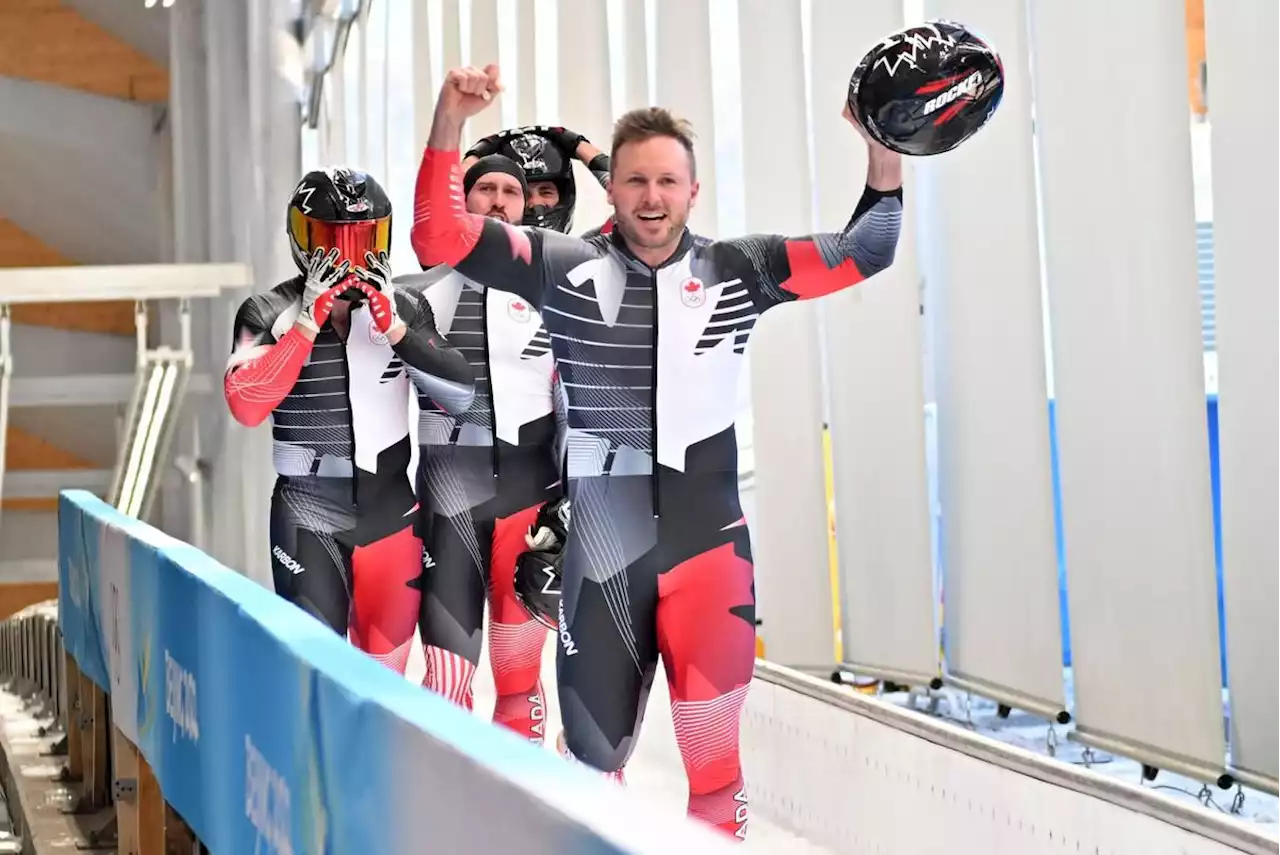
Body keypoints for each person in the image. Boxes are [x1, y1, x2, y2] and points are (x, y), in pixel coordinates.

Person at [412, 64, 903, 842]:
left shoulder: (737, 269)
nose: (651, 196)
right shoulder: (560, 263)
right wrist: (449, 121)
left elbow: (868, 248)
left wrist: (884, 146)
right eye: (636, 179)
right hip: (605, 548)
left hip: (708, 546)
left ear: (693, 192)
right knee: (590, 767)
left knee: (714, 767)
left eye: (667, 181)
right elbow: (439, 235)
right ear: (613, 188)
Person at [224, 166, 475, 675]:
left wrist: (398, 330)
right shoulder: (266, 310)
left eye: (364, 240)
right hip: (309, 511)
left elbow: (461, 396)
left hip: (391, 516)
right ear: (303, 240)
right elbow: (246, 406)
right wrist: (305, 323)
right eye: (333, 242)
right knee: (316, 673)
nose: (349, 259)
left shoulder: (405, 304)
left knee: (385, 683)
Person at [398, 152, 568, 743]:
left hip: (530, 503)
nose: (498, 200)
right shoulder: (412, 293)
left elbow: (585, 404)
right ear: (461, 202)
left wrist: (575, 499)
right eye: (485, 189)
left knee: (519, 681)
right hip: (450, 506)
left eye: (512, 192)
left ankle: (524, 819)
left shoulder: (559, 291)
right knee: (445, 684)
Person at [462, 124, 611, 233]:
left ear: (565, 197)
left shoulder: (588, 255)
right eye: (524, 194)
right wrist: (476, 154)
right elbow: (441, 204)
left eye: (546, 192)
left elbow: (630, 197)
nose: (534, 203)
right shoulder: (472, 260)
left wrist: (577, 144)